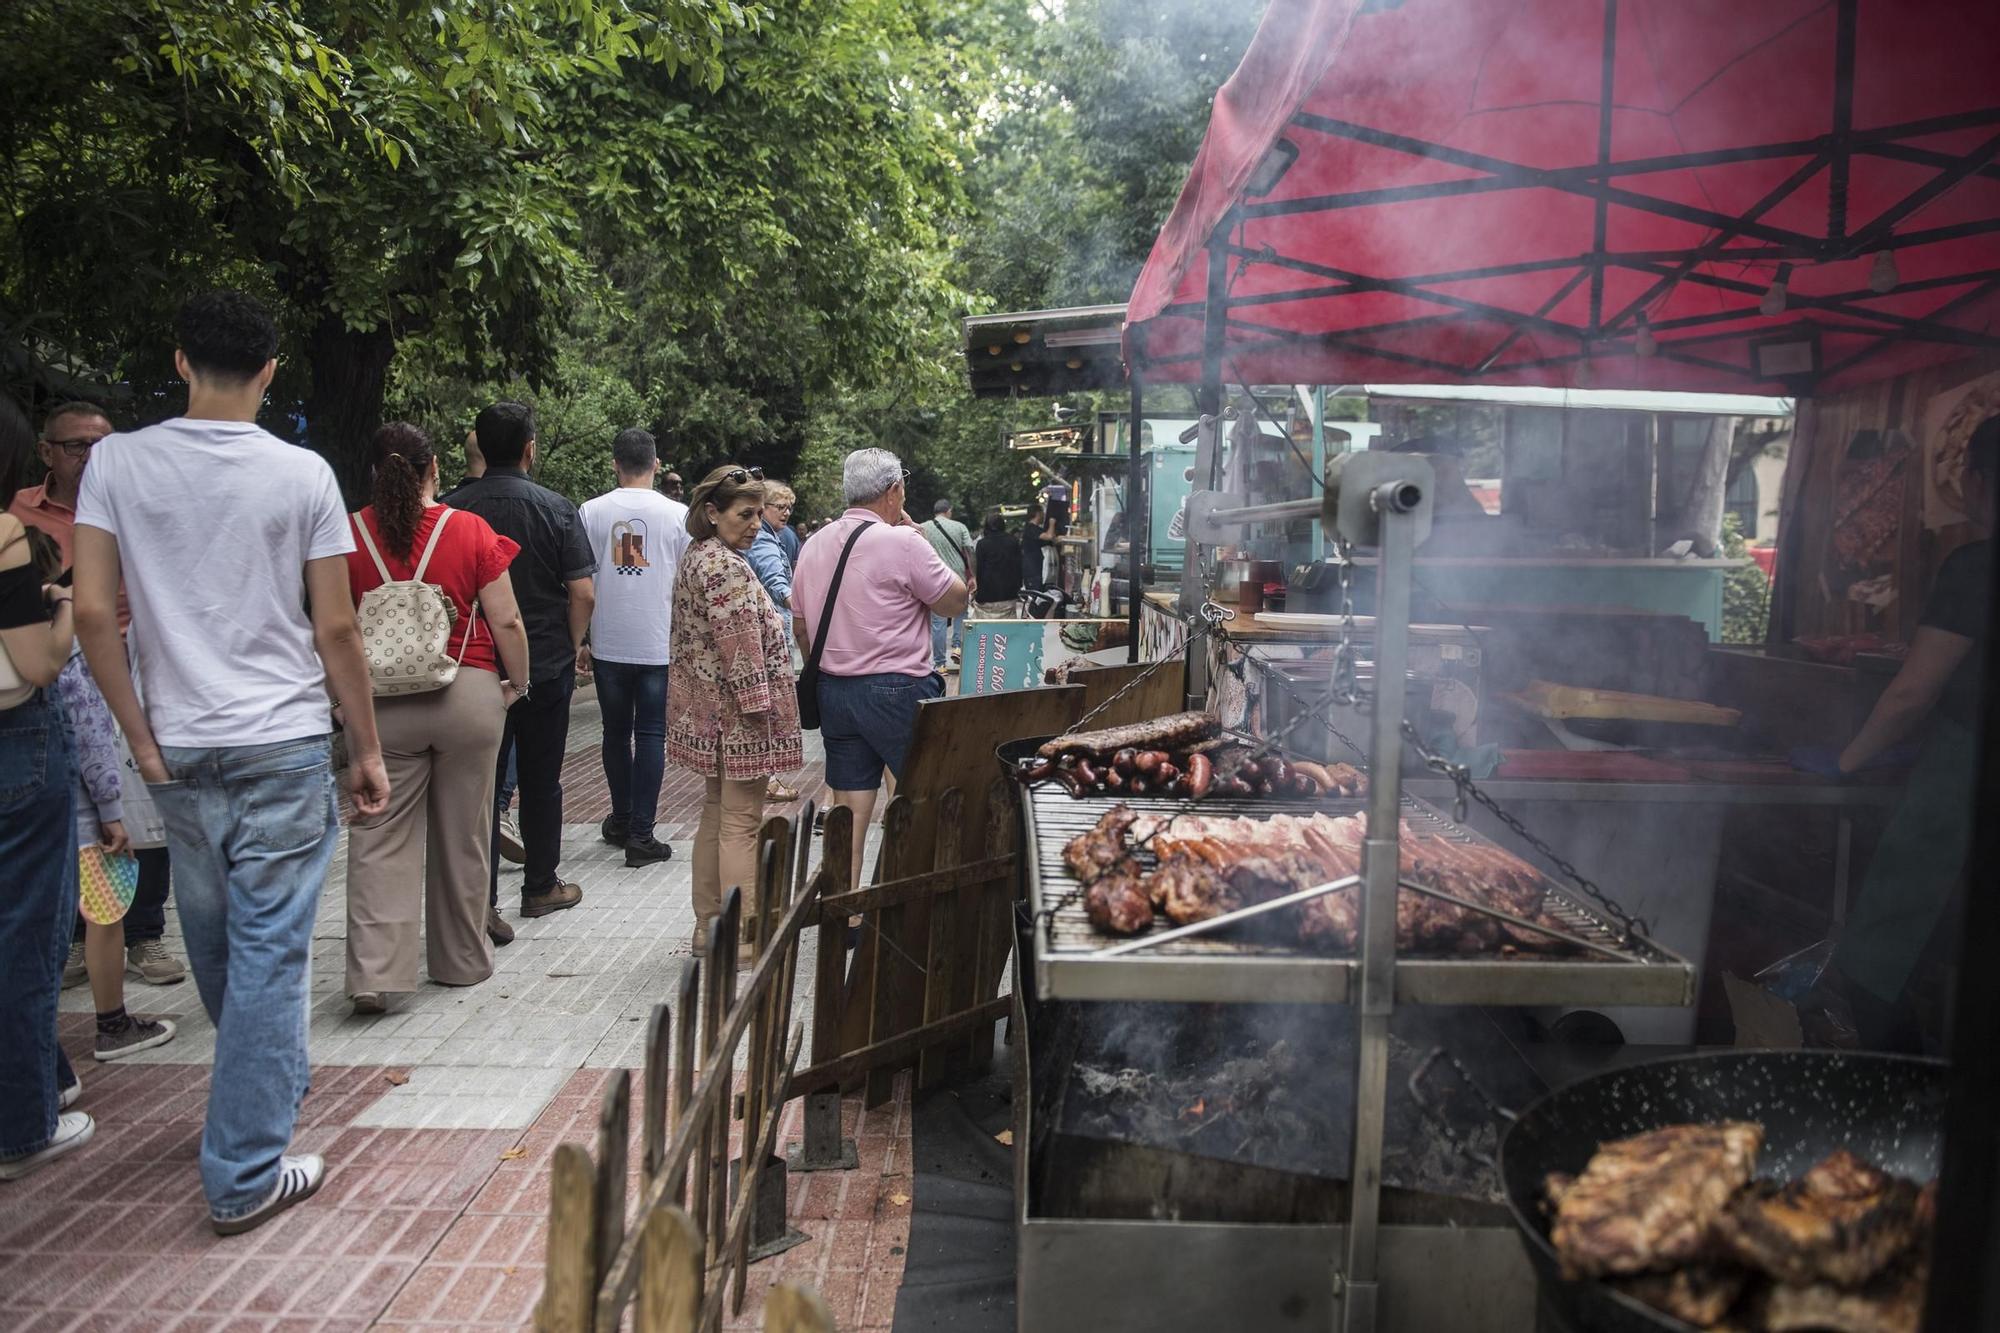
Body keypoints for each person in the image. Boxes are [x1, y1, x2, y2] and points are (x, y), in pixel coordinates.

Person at [73, 289, 390, 1233]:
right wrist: (365, 744)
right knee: (266, 951)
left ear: (179, 361)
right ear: (270, 370)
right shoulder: (302, 475)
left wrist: (137, 733)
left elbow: (93, 612)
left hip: (178, 741)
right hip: (283, 739)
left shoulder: (117, 463)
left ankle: (263, 1095)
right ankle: (247, 1168)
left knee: (219, 940)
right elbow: (334, 623)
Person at [1798, 414, 1998, 1049]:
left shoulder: (1976, 567)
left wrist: (1849, 761)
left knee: (1882, 959)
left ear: (1975, 482)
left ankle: (1908, 1110)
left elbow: (1914, 692)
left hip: (1962, 788)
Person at [342, 423, 531, 1015]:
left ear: (374, 471)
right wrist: (516, 685)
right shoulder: (468, 529)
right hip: (467, 694)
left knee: (378, 835)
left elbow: (333, 627)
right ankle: (461, 960)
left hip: (379, 706)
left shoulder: (346, 535)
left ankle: (377, 974)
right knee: (465, 835)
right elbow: (507, 622)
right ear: (434, 468)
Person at [12, 401, 188, 988]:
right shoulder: (20, 517)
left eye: (103, 445)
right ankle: (78, 940)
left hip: (132, 660)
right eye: (77, 446)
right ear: (46, 453)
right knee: (79, 805)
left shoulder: (141, 504)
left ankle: (143, 935)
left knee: (144, 797)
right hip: (58, 670)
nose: (92, 457)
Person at [791, 449, 967, 891]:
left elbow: (800, 626)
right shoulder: (904, 542)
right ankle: (902, 903)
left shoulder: (814, 544)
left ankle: (846, 914)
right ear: (894, 491)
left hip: (834, 690)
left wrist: (829, 662)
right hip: (897, 690)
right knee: (916, 799)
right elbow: (955, 600)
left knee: (848, 806)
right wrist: (919, 539)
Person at [449, 401, 595, 929]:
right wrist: (571, 641)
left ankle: (479, 899)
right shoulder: (556, 508)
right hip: (546, 662)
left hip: (472, 667)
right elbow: (582, 590)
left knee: (479, 784)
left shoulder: (452, 512)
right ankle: (540, 886)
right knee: (542, 780)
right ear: (530, 448)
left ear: (480, 449)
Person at [0, 396, 92, 1181]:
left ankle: (47, 1076)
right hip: (16, 742)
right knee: (28, 936)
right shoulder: (6, 535)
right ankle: (25, 1122)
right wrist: (63, 610)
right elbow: (36, 666)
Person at [666, 466, 802, 958]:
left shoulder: (699, 555)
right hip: (735, 716)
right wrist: (760, 710)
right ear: (711, 513)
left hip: (709, 712)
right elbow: (740, 647)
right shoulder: (724, 565)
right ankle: (743, 936)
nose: (755, 526)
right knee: (741, 821)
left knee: (717, 814)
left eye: (758, 516)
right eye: (745, 515)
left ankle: (708, 927)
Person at [57, 640, 177, 1060]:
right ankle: (112, 1026)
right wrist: (111, 806)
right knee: (104, 914)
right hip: (81, 811)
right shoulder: (65, 641)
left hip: (24, 817)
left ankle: (34, 1044)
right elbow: (90, 728)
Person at [578, 428, 688, 865]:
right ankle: (642, 833)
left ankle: (622, 818)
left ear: (614, 463)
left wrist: (583, 639)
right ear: (656, 464)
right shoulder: (679, 515)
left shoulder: (591, 512)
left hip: (608, 642)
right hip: (659, 644)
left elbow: (580, 580)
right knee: (651, 736)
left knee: (614, 734)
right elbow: (686, 582)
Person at [441, 427, 525, 874]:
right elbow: (508, 619)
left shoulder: (446, 510)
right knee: (470, 816)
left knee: (392, 833)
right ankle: (477, 920)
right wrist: (523, 677)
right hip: (481, 675)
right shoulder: (467, 528)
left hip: (416, 673)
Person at [921, 498, 975, 669]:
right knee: (961, 613)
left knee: (938, 621)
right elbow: (970, 552)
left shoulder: (923, 528)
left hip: (935, 578)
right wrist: (973, 575)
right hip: (958, 578)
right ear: (949, 511)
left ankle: (940, 664)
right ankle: (957, 648)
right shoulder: (960, 527)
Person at [973, 509, 1023, 618]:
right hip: (1009, 593)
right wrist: (1018, 587)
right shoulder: (1013, 541)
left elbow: (979, 570)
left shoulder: (982, 544)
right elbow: (1018, 567)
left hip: (987, 594)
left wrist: (978, 591)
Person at [1021, 502, 1048, 591]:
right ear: (1037, 513)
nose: (1044, 515)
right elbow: (1050, 536)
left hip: (1037, 567)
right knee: (1035, 592)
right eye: (1042, 513)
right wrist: (1052, 522)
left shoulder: (1037, 529)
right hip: (1032, 568)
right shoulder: (1031, 529)